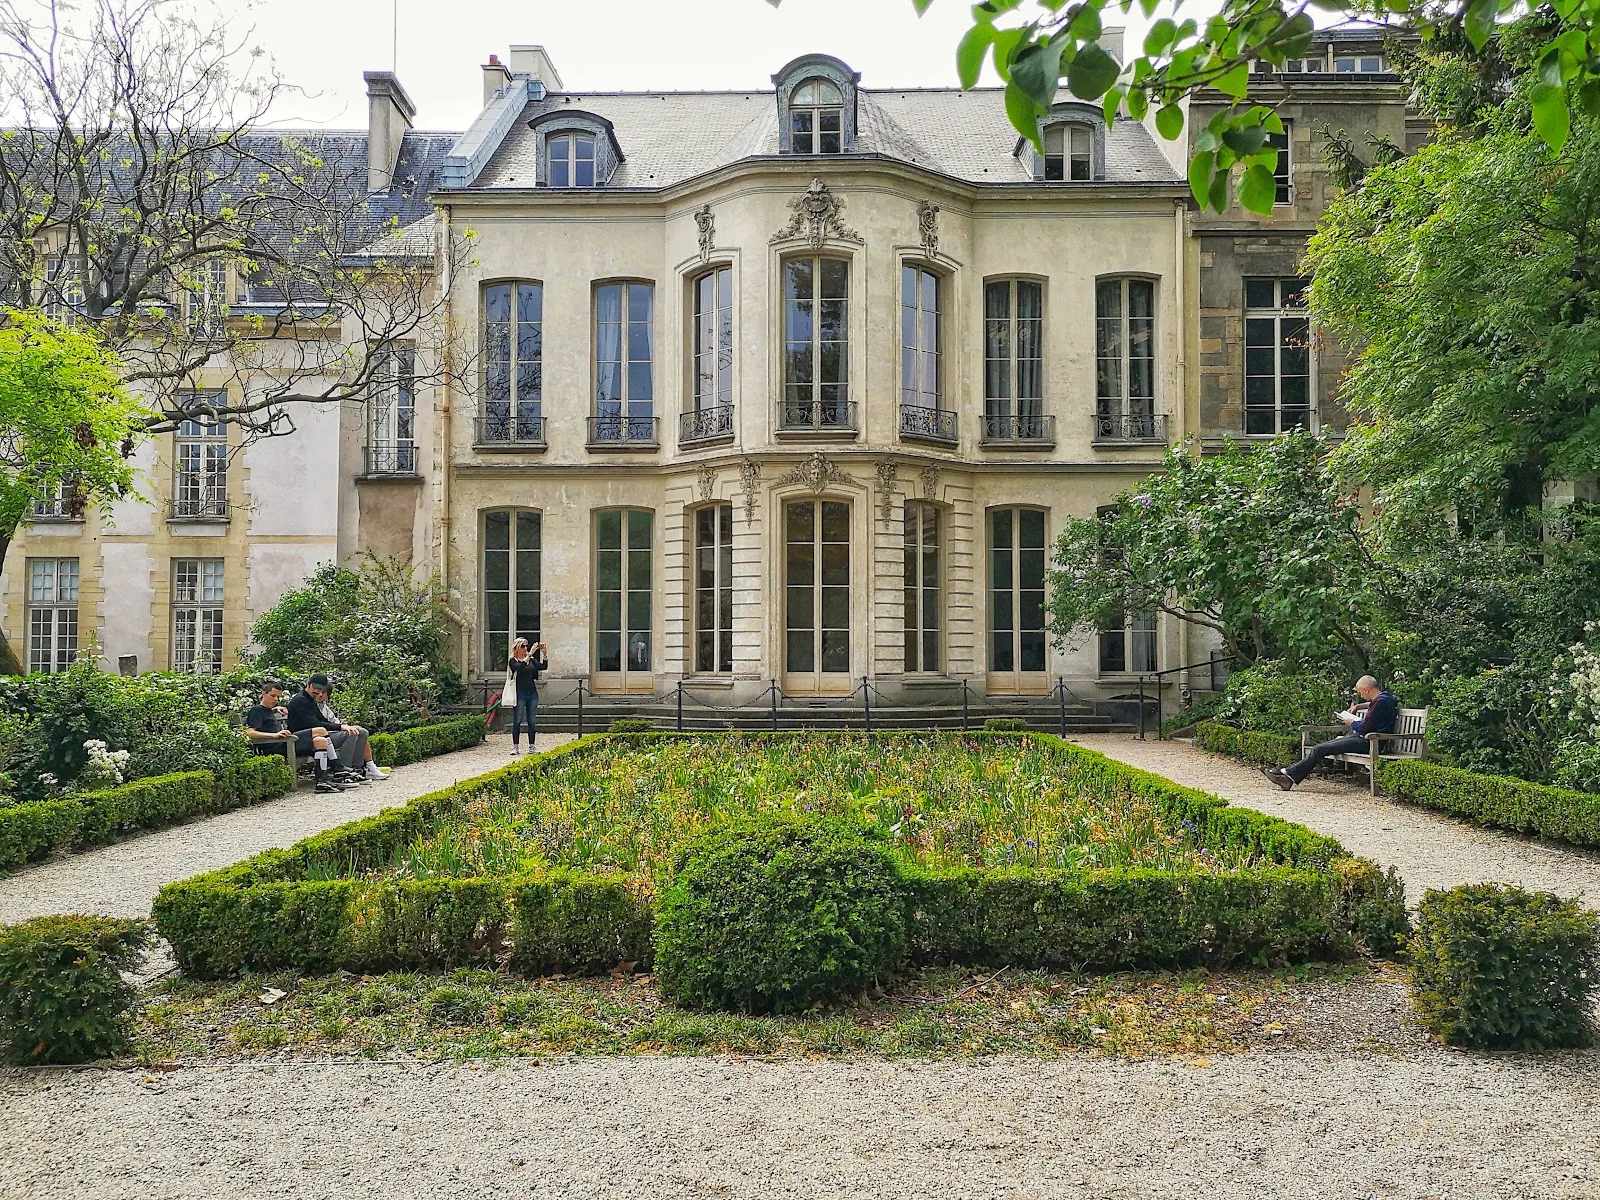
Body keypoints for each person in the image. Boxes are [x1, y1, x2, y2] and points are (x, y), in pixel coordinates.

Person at [1265, 675, 1398, 791]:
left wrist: (1351, 722)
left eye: (1361, 693)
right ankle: (1287, 775)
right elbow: (1375, 705)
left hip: (1369, 742)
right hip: (1363, 739)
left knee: (1319, 749)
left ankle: (1287, 775)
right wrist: (1359, 706)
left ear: (1366, 690)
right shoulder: (1385, 698)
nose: (1361, 696)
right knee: (1320, 748)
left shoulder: (1380, 703)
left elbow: (1364, 728)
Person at [244, 682, 355, 794]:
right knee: (320, 730)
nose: (276, 699)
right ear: (263, 694)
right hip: (277, 746)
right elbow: (249, 732)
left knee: (320, 741)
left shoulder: (267, 710)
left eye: (278, 696)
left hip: (285, 743)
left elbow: (266, 716)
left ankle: (322, 782)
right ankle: (338, 767)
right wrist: (275, 735)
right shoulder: (257, 710)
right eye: (273, 696)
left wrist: (275, 709)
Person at [286, 673, 390, 782]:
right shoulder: (300, 700)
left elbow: (322, 720)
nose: (317, 691)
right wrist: (340, 727)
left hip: (318, 734)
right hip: (303, 739)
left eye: (320, 689)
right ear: (308, 684)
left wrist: (343, 726)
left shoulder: (310, 699)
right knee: (350, 734)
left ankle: (357, 770)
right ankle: (343, 773)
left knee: (360, 731)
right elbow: (314, 723)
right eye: (315, 688)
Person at [506, 637, 548, 755]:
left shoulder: (531, 660)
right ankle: (515, 746)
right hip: (520, 693)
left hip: (532, 693)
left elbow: (543, 667)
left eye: (526, 646)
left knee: (532, 720)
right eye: (523, 646)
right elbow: (519, 668)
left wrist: (545, 655)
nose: (526, 648)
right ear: (517, 648)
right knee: (517, 720)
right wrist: (529, 654)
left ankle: (532, 746)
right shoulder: (513, 660)